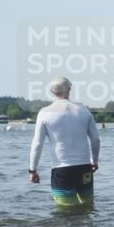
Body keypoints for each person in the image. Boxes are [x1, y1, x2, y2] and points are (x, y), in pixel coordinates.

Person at [27, 77, 100, 208]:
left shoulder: (45, 113)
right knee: (88, 207)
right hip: (84, 168)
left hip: (62, 170)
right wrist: (94, 161)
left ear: (52, 92)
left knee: (65, 210)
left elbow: (37, 144)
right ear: (69, 89)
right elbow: (95, 139)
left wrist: (32, 170)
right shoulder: (84, 110)